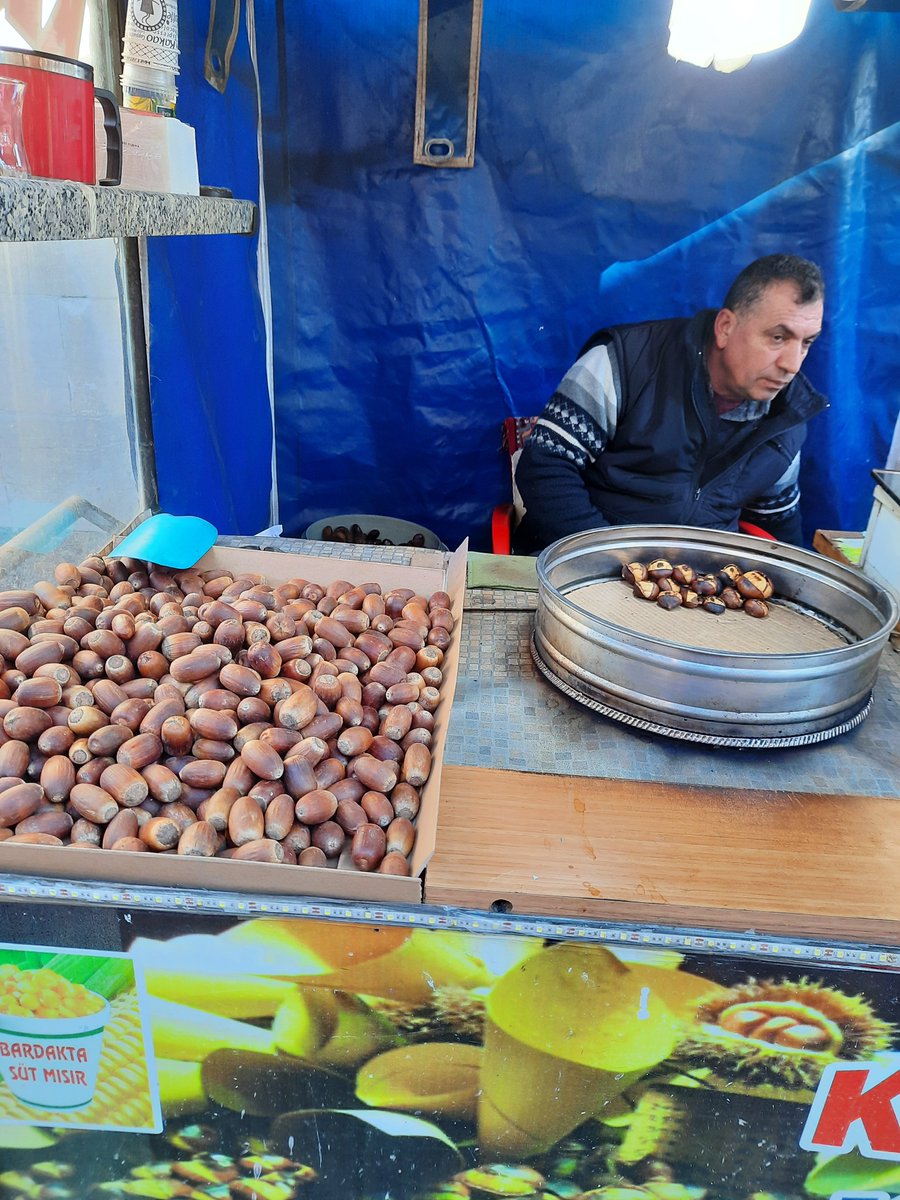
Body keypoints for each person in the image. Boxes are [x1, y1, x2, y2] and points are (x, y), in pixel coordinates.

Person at [512, 254, 827, 554]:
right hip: (584, 567)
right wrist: (613, 562)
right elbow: (545, 468)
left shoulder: (788, 413)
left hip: (701, 590)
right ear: (725, 327)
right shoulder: (627, 360)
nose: (792, 364)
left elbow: (776, 520)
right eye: (777, 338)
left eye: (807, 342)